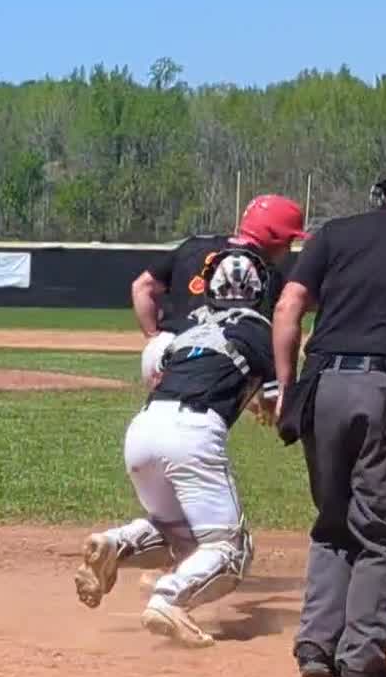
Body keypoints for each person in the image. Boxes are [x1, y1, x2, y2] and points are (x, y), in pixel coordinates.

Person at [271, 160, 386, 677]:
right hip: (384, 389)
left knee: (333, 521)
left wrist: (287, 386)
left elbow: (290, 304)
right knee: (383, 534)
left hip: (321, 389)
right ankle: (361, 664)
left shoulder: (336, 233)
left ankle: (316, 648)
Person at [75, 246, 280, 648]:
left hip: (144, 428)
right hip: (193, 431)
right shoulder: (261, 330)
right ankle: (169, 599)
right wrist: (271, 410)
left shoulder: (185, 327)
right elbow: (273, 400)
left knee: (181, 536)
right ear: (260, 291)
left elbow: (157, 371)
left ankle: (115, 544)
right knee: (229, 549)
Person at [132, 195, 307, 339]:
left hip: (168, 347)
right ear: (273, 236)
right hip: (218, 359)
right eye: (288, 240)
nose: (289, 248)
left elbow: (141, 287)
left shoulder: (192, 246)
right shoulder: (264, 272)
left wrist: (153, 338)